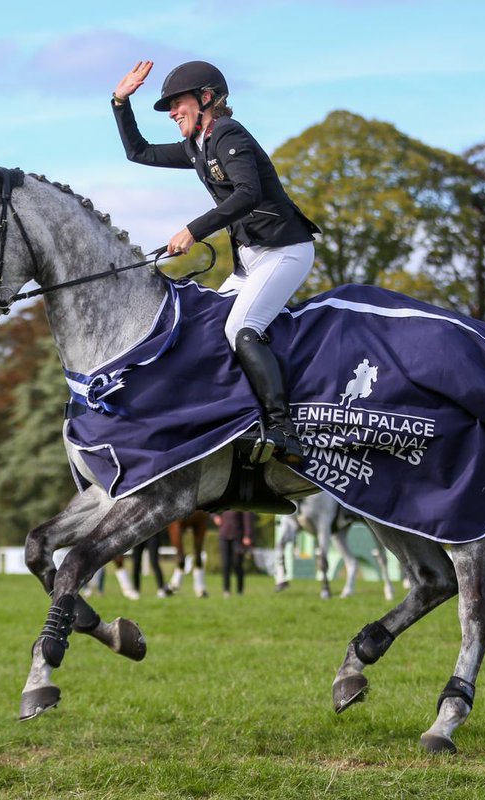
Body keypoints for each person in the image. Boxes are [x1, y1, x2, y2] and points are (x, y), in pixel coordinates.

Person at [111, 60, 321, 466]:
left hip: (284, 250)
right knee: (205, 330)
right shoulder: (197, 145)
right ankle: (232, 420)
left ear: (206, 99)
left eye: (178, 103)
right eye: (170, 106)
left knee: (241, 330)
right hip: (249, 261)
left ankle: (282, 430)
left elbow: (247, 193)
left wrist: (193, 230)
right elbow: (138, 152)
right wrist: (120, 101)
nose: (173, 112)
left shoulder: (227, 132)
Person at [215, 510, 254, 597]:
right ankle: (226, 590)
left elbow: (247, 516)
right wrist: (215, 517)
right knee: (225, 565)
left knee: (237, 564)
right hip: (224, 536)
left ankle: (240, 591)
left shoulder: (239, 500)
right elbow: (212, 508)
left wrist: (247, 535)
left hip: (237, 537)